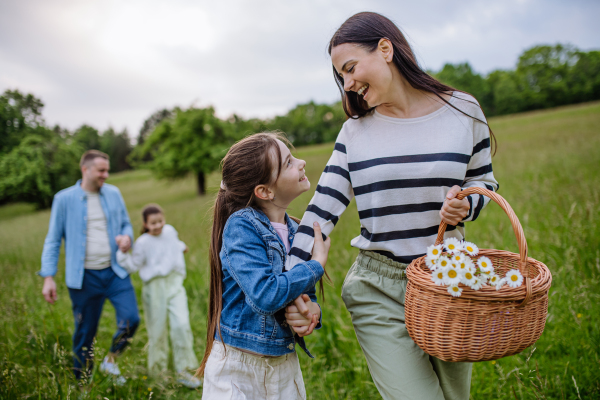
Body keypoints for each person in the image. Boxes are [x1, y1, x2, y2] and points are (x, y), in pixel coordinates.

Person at [286, 12, 499, 400]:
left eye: (350, 68)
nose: (348, 84)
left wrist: (465, 207)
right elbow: (320, 212)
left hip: (448, 279)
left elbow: (482, 181)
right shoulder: (355, 132)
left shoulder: (464, 111)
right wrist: (292, 282)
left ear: (385, 49)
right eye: (341, 76)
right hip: (378, 287)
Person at [198, 132, 331, 400]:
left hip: (283, 366)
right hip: (239, 367)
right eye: (289, 163)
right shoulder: (242, 225)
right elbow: (266, 294)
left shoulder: (296, 230)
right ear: (265, 191)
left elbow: (304, 294)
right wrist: (316, 264)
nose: (301, 163)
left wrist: (310, 313)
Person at [40, 150, 140, 384]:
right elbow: (53, 239)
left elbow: (126, 223)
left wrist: (127, 237)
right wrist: (48, 276)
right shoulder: (63, 199)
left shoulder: (114, 193)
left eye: (107, 170)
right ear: (85, 169)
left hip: (115, 272)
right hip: (83, 278)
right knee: (85, 332)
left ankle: (110, 360)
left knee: (131, 319)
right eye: (101, 170)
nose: (106, 174)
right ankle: (82, 383)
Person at [116, 204, 201, 389]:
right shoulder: (143, 242)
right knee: (157, 329)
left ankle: (184, 369)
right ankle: (158, 372)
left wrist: (182, 247)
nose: (158, 226)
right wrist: (122, 254)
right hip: (155, 288)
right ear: (145, 224)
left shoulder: (169, 231)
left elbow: (172, 243)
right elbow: (133, 265)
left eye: (160, 221)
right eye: (153, 223)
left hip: (174, 284)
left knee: (182, 324)